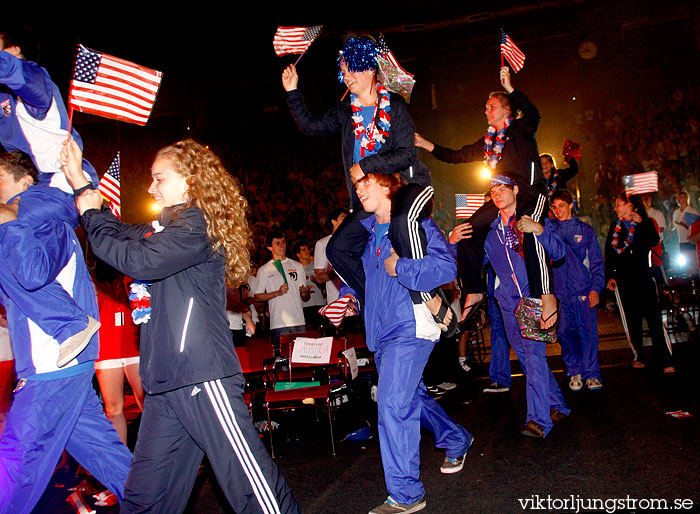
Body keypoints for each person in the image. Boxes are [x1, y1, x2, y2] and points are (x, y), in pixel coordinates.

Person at [61, 138, 300, 513]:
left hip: (201, 377)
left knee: (252, 488)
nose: (151, 187)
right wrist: (80, 184)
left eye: (160, 178)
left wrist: (91, 215)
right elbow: (124, 235)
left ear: (190, 180)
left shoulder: (196, 225)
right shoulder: (168, 228)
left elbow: (137, 259)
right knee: (146, 498)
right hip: (165, 385)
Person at [283, 35, 456, 337]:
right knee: (338, 249)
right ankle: (370, 299)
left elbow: (406, 154)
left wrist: (366, 165)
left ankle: (426, 297)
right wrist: (292, 91)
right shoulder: (347, 113)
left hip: (408, 188)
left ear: (369, 70)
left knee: (402, 222)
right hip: (369, 199)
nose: (346, 76)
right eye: (344, 71)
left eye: (351, 69)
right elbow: (309, 126)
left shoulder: (396, 107)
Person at [0, 150, 131, 514]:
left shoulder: (37, 224)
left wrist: (8, 221)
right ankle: (154, 504)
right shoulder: (28, 226)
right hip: (60, 362)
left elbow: (31, 273)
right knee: (106, 454)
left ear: (26, 184)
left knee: (16, 461)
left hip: (52, 366)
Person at [339, 172, 473, 514]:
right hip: (380, 333)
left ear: (387, 187)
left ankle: (406, 495)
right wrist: (348, 297)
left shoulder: (417, 226)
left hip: (410, 328)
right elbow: (365, 281)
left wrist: (403, 267)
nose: (359, 188)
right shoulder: (370, 238)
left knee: (393, 406)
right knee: (410, 399)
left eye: (366, 181)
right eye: (356, 184)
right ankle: (456, 438)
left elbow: (444, 268)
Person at [415, 66, 556, 331]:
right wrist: (426, 145)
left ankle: (546, 295)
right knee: (469, 231)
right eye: (486, 108)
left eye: (491, 106)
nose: (486, 111)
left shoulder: (521, 129)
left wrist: (510, 88)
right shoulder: (489, 142)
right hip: (501, 196)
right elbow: (458, 155)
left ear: (506, 109)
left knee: (530, 230)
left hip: (528, 193)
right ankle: (475, 289)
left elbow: (535, 115)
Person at [0, 29, 101, 366]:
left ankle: (69, 322)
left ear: (12, 50)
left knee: (5, 219)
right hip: (45, 188)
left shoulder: (36, 84)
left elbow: (14, 73)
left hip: (65, 180)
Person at [483, 174, 570, 438]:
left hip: (533, 301)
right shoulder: (490, 232)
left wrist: (540, 230)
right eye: (493, 191)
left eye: (502, 189)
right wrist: (453, 243)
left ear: (516, 190)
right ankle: (560, 405)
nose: (497, 194)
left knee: (534, 359)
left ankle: (539, 421)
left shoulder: (534, 220)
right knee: (527, 360)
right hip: (507, 305)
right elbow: (475, 260)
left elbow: (559, 253)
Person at [605, 193, 675, 373]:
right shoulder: (615, 226)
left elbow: (654, 241)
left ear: (631, 206)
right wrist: (610, 276)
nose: (616, 208)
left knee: (654, 320)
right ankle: (639, 356)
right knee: (632, 321)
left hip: (644, 278)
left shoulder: (646, 223)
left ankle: (665, 359)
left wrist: (642, 222)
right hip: (624, 281)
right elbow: (610, 253)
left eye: (619, 204)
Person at [550, 190, 604, 391]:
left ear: (571, 205)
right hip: (561, 294)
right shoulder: (551, 229)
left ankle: (592, 374)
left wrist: (596, 288)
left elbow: (596, 261)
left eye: (561, 206)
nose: (558, 211)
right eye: (554, 207)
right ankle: (574, 371)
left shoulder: (585, 230)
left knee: (587, 333)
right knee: (564, 333)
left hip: (583, 290)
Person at [92, 259, 145, 446]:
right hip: (106, 349)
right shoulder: (93, 280)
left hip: (134, 345)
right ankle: (122, 464)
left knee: (148, 405)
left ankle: (156, 457)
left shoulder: (133, 274)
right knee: (113, 408)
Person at [255, 231, 311, 350]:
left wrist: (305, 292)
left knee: (302, 361)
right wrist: (277, 293)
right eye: (277, 243)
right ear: (269, 247)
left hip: (299, 321)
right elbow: (258, 297)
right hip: (278, 323)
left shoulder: (297, 265)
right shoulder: (264, 270)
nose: (282, 246)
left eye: (283, 242)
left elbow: (305, 298)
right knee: (282, 362)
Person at [314, 206, 348, 306]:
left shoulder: (353, 242)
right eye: (343, 218)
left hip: (355, 299)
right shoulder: (323, 244)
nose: (346, 221)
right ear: (333, 221)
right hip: (336, 300)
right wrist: (338, 271)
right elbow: (319, 278)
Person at [294, 240, 325, 330]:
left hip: (318, 303)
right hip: (304, 306)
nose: (307, 251)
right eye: (304, 250)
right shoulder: (295, 269)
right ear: (298, 254)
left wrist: (317, 281)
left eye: (308, 249)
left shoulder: (316, 266)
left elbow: (324, 285)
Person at [672, 191, 698, 270]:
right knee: (686, 263)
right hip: (681, 240)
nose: (681, 199)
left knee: (693, 261)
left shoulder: (692, 211)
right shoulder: (676, 212)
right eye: (680, 197)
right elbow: (674, 226)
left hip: (691, 239)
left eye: (683, 197)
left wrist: (683, 224)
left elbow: (695, 226)